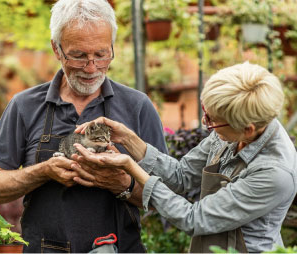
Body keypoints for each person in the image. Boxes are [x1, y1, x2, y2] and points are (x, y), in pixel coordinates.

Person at [0, 0, 167, 252]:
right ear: (57, 49)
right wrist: (43, 171)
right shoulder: (25, 106)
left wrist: (122, 184)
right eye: (79, 55)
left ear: (112, 46)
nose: (91, 68)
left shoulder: (138, 106)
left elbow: (166, 197)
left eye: (101, 54)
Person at [72, 62, 297, 253]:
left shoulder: (275, 173)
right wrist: (130, 139)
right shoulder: (232, 127)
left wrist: (132, 168)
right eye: (205, 111)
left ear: (247, 129)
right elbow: (181, 177)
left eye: (211, 120)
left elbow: (194, 219)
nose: (205, 122)